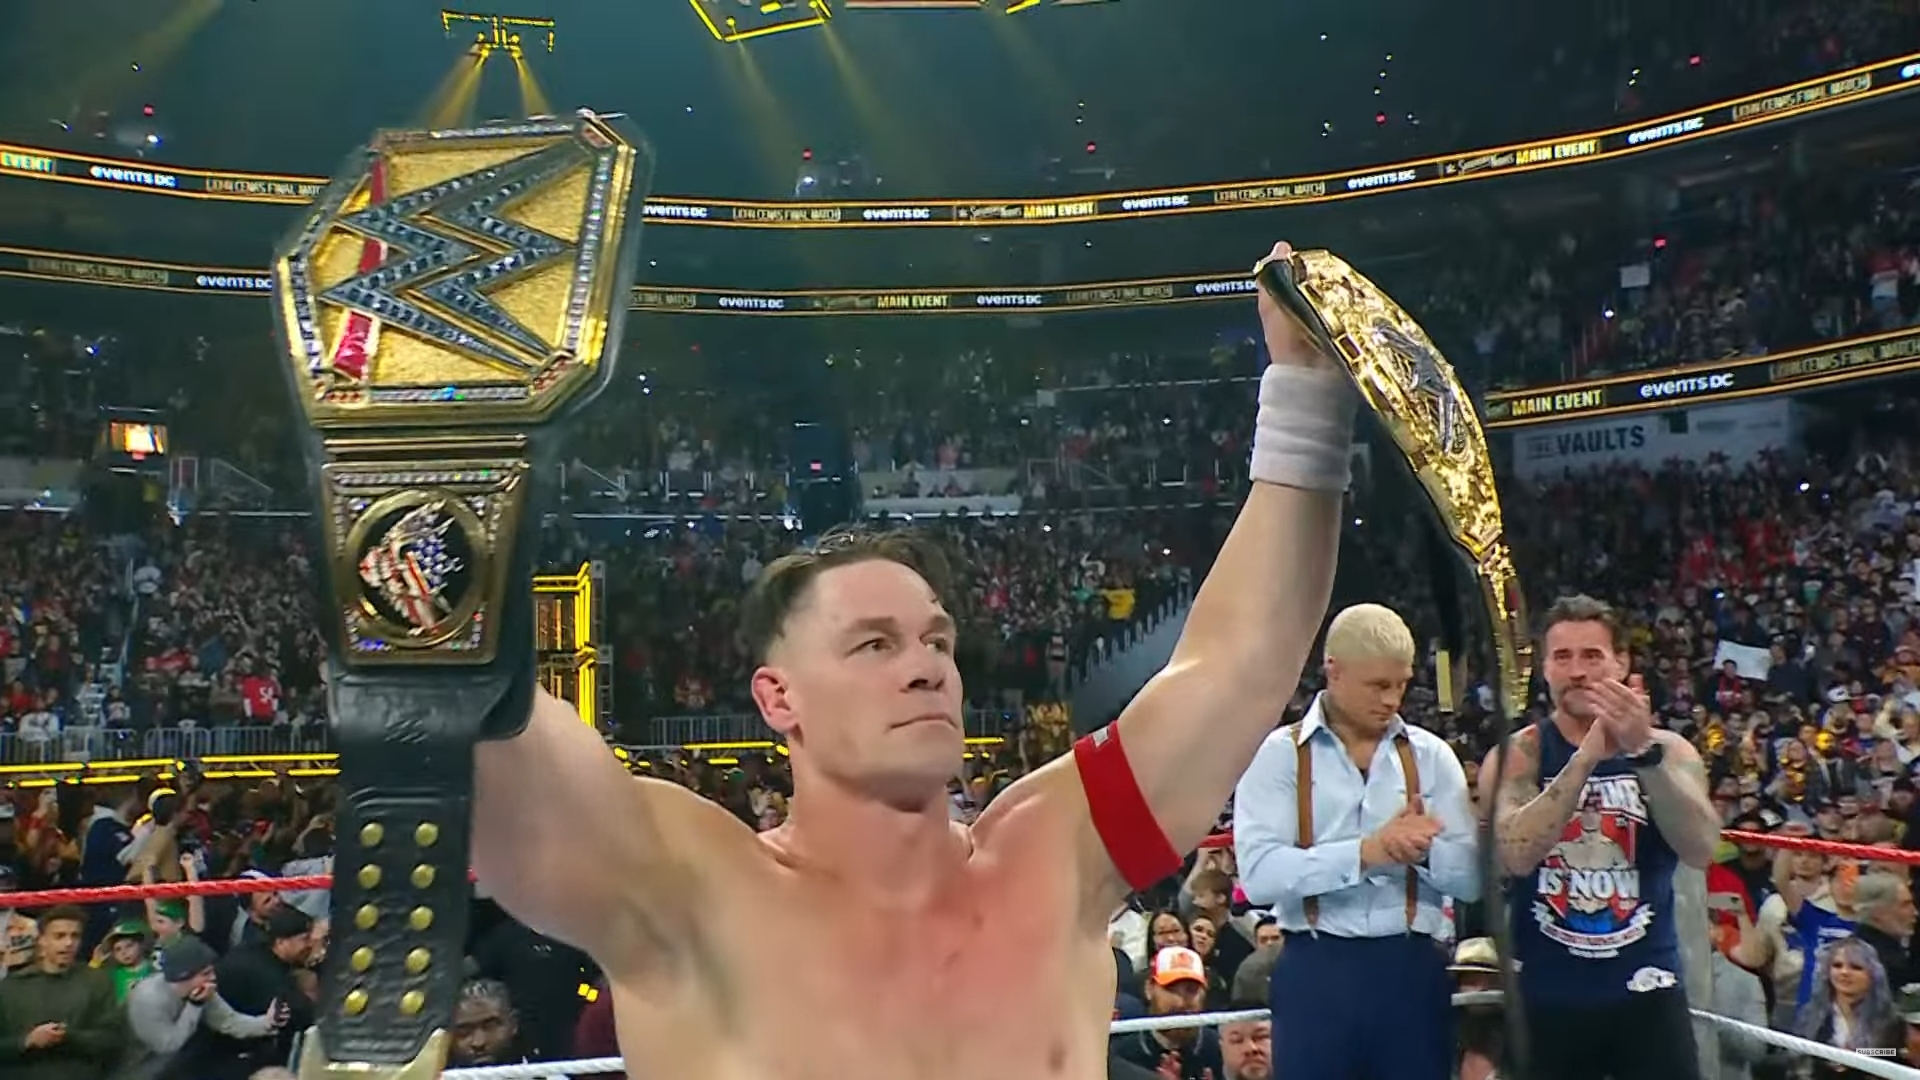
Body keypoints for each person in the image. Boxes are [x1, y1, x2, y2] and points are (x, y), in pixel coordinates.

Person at [471, 239, 1355, 1080]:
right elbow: (500, 745)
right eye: (874, 645)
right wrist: (438, 504)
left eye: (937, 640)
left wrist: (1307, 394)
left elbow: (1240, 661)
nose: (926, 667)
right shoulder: (690, 889)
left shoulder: (1055, 856)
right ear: (779, 698)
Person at [1234, 603, 1479, 1080]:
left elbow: (1472, 881)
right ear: (1334, 671)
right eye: (1378, 685)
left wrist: (1422, 851)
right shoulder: (1278, 757)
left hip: (1411, 969)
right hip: (1314, 970)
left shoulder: (1432, 756)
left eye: (1402, 684)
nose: (1392, 700)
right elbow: (1260, 876)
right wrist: (1367, 852)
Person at [1484, 594, 1722, 1080]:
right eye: (1562, 657)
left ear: (1621, 663)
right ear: (1544, 668)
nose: (1577, 672)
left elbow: (1702, 848)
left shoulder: (1671, 751)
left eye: (1592, 656)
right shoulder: (1519, 755)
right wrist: (1585, 759)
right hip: (1548, 994)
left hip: (1647, 988)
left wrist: (1641, 753)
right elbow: (1515, 857)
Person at [122, 934, 285, 1080]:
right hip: (145, 1066)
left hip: (186, 1058)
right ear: (184, 976)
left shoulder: (201, 989)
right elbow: (168, 1047)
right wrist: (194, 1006)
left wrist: (267, 1023)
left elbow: (228, 1021)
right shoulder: (148, 1000)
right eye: (206, 973)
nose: (213, 978)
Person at [0, 904, 127, 1080]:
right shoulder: (11, 987)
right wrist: (27, 1041)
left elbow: (111, 1041)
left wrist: (69, 1037)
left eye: (75, 936)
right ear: (41, 940)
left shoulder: (98, 982)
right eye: (59, 936)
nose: (69, 943)